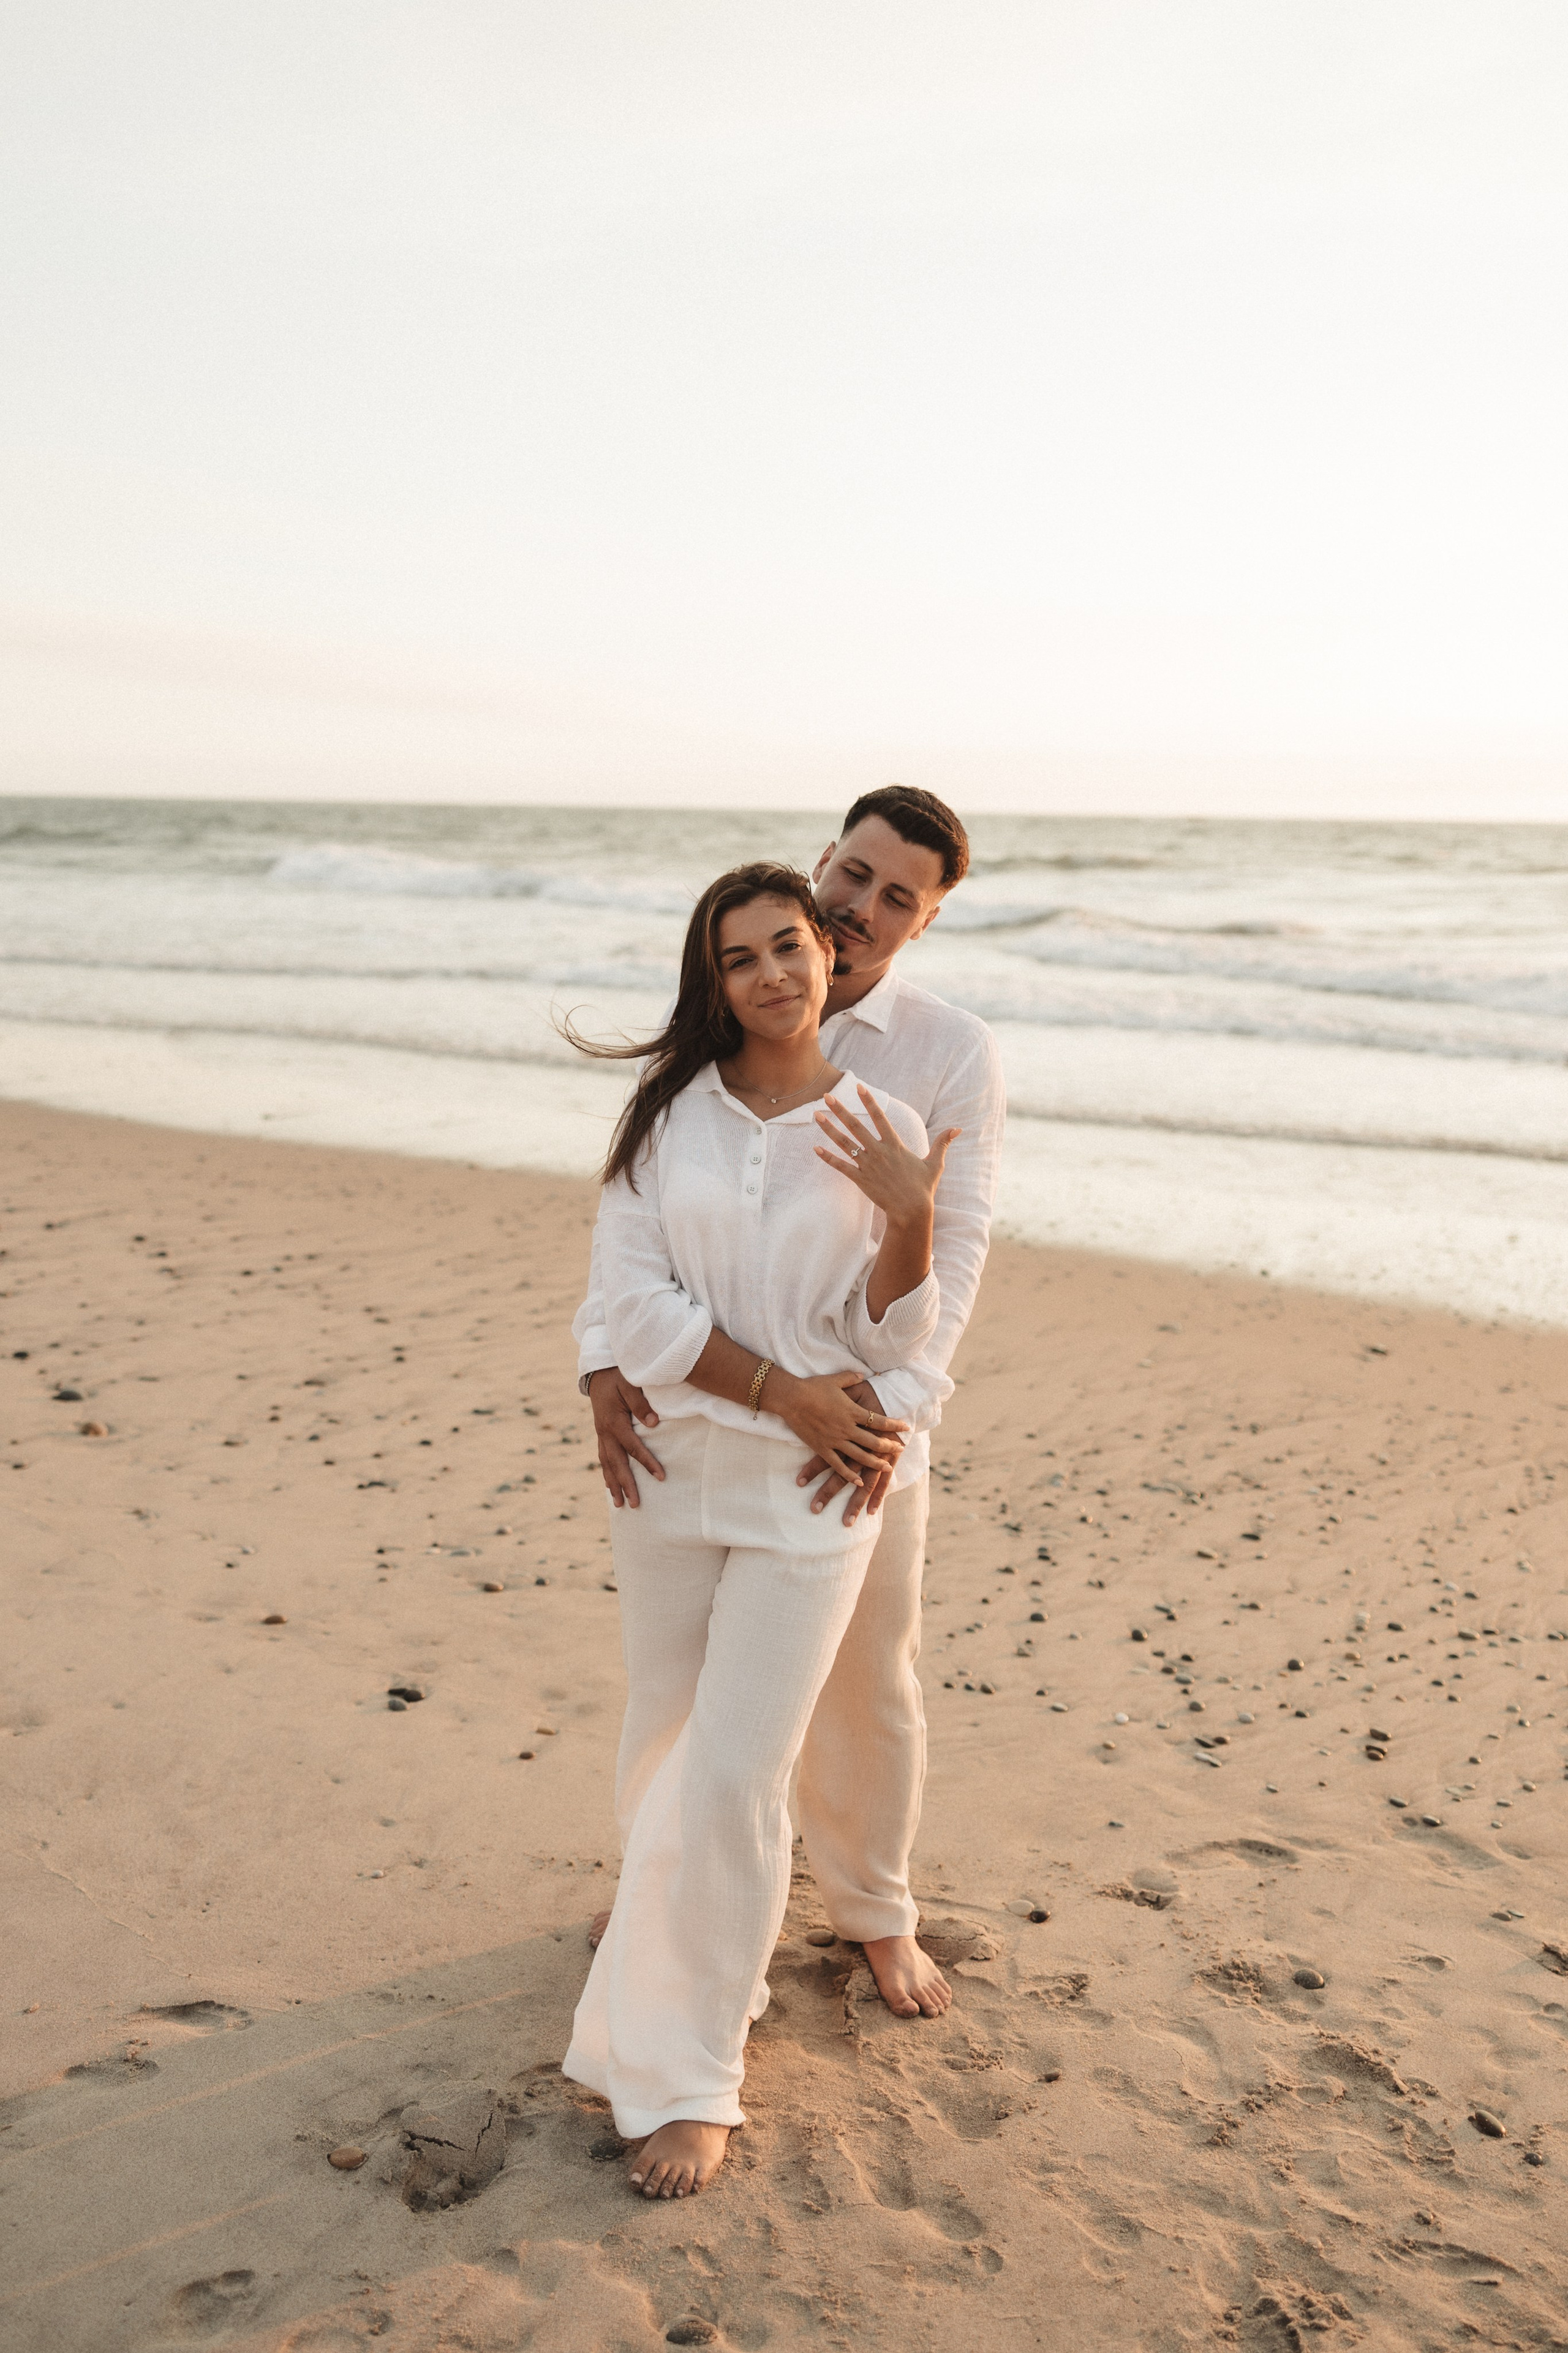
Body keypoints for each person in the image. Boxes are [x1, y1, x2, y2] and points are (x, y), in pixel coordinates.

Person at [575, 787, 1005, 2020]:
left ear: (920, 926)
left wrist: (883, 1414)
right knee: (683, 1682)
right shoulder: (733, 1002)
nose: (859, 907)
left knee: (870, 1682)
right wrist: (601, 1357)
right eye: (853, 874)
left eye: (894, 898)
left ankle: (873, 1909)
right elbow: (639, 1207)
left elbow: (954, 1247)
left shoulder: (945, 1052)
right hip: (709, 1419)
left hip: (860, 1438)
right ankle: (665, 1886)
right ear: (824, 862)